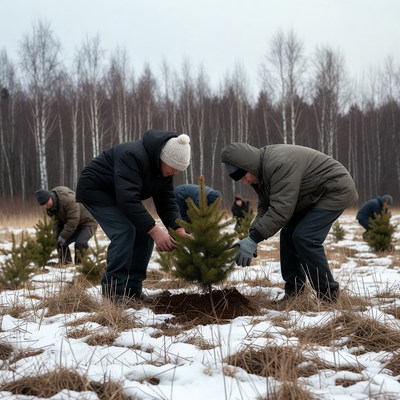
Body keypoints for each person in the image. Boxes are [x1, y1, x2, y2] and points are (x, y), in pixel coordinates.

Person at [221, 143, 359, 302]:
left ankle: (328, 295)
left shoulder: (279, 164)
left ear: (248, 166)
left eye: (244, 177)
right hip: (309, 196)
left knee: (305, 237)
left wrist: (254, 238)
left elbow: (281, 209)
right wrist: (251, 236)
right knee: (288, 235)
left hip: (334, 189)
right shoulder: (260, 174)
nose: (244, 182)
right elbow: (266, 207)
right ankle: (295, 293)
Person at [76, 129, 191, 302]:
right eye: (174, 168)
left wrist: (178, 228)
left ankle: (132, 291)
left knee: (144, 235)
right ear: (163, 158)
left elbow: (167, 203)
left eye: (179, 170)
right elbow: (128, 199)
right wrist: (155, 230)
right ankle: (113, 293)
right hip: (95, 190)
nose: (175, 173)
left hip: (119, 194)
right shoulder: (132, 155)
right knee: (124, 231)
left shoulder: (165, 171)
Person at [34, 186, 98, 265]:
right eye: (44, 205)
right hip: (71, 224)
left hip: (87, 223)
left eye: (47, 203)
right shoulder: (50, 208)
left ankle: (81, 266)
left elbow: (73, 221)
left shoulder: (68, 200)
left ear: (50, 197)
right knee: (60, 242)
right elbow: (56, 223)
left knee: (80, 243)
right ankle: (65, 263)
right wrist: (56, 237)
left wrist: (63, 236)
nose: (46, 206)